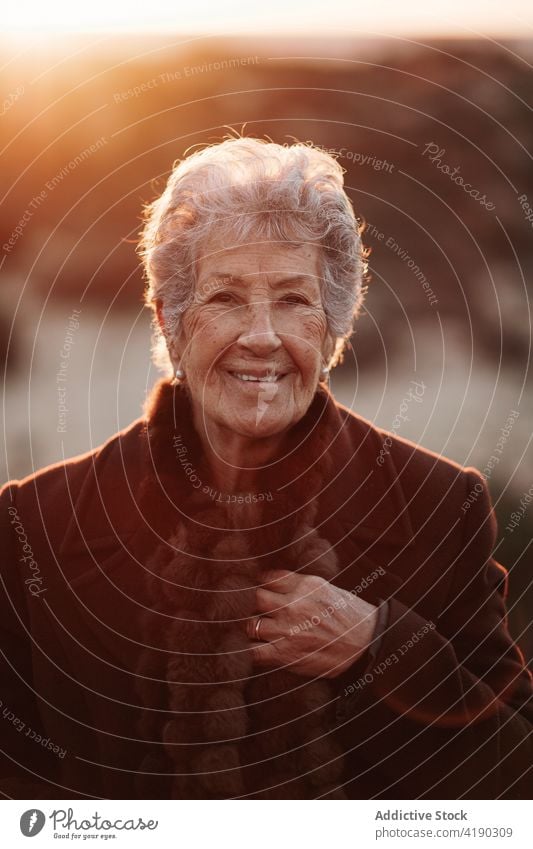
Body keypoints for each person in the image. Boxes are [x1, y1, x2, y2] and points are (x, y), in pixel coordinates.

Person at [0, 137, 531, 800]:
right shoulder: (37, 521)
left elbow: (513, 782)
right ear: (170, 319)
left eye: (292, 300)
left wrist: (380, 647)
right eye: (223, 298)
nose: (260, 335)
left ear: (333, 324)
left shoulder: (440, 506)